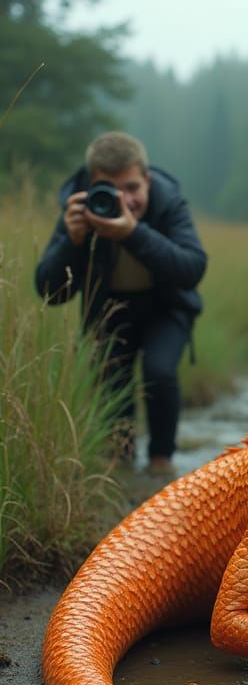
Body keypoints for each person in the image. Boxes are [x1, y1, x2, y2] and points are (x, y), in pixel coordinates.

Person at [35, 131, 208, 475]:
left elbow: (191, 269)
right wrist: (72, 242)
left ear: (147, 179)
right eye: (110, 189)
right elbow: (50, 291)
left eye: (131, 188)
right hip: (108, 311)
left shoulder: (168, 202)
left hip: (166, 308)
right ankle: (123, 468)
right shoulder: (80, 208)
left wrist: (133, 233)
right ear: (90, 183)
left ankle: (161, 463)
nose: (123, 200)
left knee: (159, 372)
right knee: (113, 383)